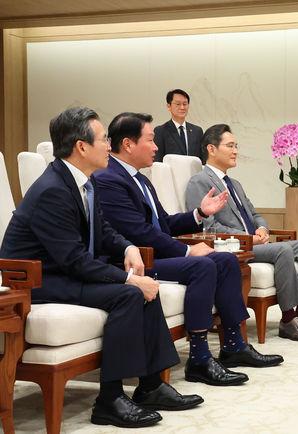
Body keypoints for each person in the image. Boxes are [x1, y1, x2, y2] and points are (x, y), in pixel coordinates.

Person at [0, 107, 203, 428]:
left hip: (63, 271)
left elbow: (104, 230)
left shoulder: (83, 181)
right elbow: (74, 260)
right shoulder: (53, 189)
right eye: (104, 139)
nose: (109, 145)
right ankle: (110, 399)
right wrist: (128, 280)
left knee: (146, 286)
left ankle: (151, 386)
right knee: (130, 293)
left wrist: (128, 247)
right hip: (38, 281)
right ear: (81, 147)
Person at [94, 112, 284, 388]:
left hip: (155, 254)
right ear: (128, 144)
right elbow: (139, 233)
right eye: (151, 140)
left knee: (225, 261)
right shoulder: (109, 179)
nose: (156, 147)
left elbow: (163, 223)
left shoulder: (141, 179)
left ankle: (234, 345)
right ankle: (199, 358)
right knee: (202, 265)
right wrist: (186, 251)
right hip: (133, 262)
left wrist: (199, 213)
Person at [185, 124, 298, 342]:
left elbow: (255, 214)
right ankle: (288, 319)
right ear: (211, 149)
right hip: (234, 247)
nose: (236, 151)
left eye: (236, 146)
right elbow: (208, 228)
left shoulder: (234, 184)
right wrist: (249, 238)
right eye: (230, 146)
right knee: (283, 250)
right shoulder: (199, 182)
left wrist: (262, 228)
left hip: (254, 241)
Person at [153, 89, 205, 162]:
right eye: (178, 104)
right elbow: (158, 160)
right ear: (169, 106)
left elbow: (202, 159)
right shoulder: (160, 131)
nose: (182, 107)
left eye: (185, 104)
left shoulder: (197, 131)